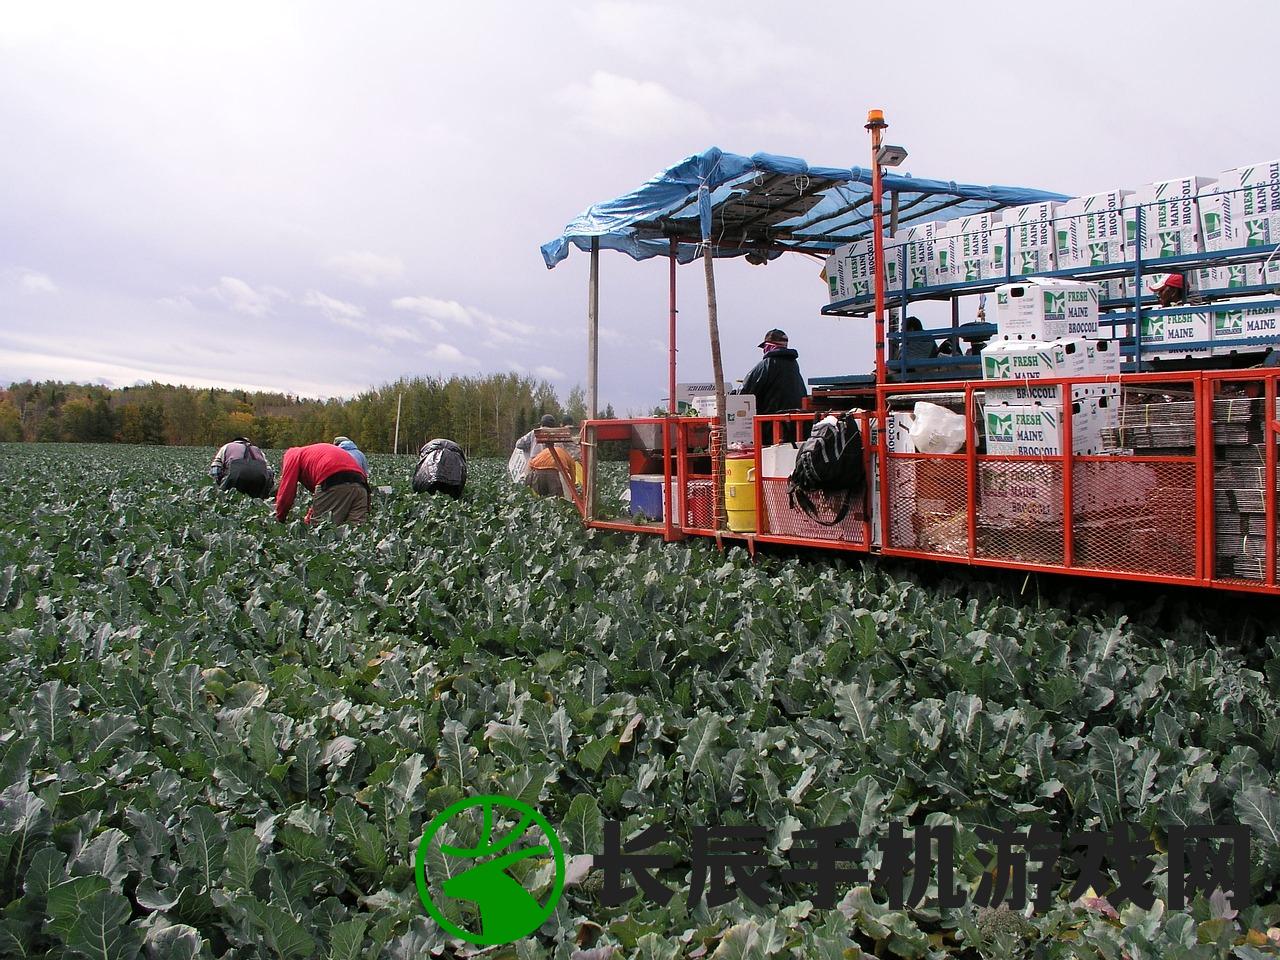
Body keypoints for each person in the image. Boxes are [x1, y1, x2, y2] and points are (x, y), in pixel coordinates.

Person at [275, 442, 370, 525]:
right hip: (361, 485)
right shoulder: (311, 452)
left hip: (334, 480)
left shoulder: (292, 456)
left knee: (321, 529)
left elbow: (287, 491)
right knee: (355, 532)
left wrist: (280, 518)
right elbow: (321, 496)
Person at [736, 328, 806, 414]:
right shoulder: (793, 365)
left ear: (768, 346)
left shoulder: (766, 364)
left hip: (770, 422)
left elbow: (746, 391)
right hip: (794, 421)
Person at [208, 437, 274, 498]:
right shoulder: (257, 450)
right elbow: (269, 471)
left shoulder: (227, 446)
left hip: (235, 478)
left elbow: (216, 470)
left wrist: (219, 486)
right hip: (259, 479)